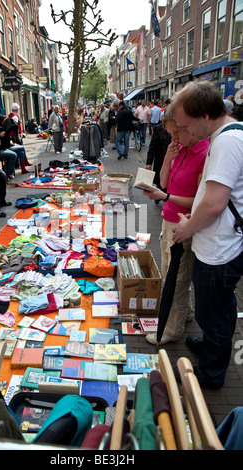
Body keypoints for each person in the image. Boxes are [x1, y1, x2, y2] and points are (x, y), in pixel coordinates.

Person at [171, 81, 243, 389]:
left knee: (213, 312)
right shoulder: (230, 134)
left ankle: (211, 374)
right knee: (220, 308)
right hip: (220, 244)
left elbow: (214, 203)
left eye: (185, 126)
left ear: (204, 115)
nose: (185, 133)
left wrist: (187, 227)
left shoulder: (227, 142)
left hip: (218, 250)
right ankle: (215, 350)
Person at [142, 107, 209, 346]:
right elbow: (164, 182)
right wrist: (168, 158)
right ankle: (185, 312)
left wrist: (167, 197)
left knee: (177, 278)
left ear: (186, 128)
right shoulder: (181, 149)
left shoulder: (204, 153)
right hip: (169, 220)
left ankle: (171, 329)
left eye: (175, 133)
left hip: (184, 224)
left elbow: (201, 200)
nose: (173, 139)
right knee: (173, 270)